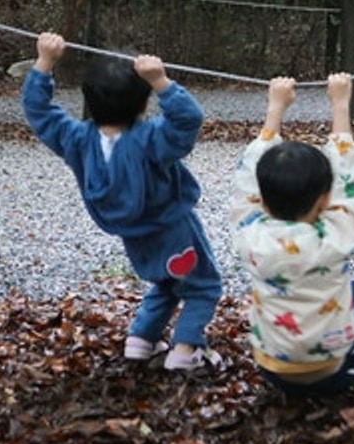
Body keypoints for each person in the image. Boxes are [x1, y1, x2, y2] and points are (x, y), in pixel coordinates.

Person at [22, 33, 223, 371]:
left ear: (89, 99)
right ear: (143, 104)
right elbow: (188, 119)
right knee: (203, 285)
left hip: (135, 237)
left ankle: (141, 340)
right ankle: (187, 350)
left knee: (167, 281)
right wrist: (161, 82)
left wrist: (44, 63)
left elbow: (39, 112)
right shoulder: (150, 140)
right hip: (176, 233)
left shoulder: (77, 141)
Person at [230, 73, 354, 397]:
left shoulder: (251, 235)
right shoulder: (336, 236)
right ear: (325, 200)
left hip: (272, 368)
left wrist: (274, 110)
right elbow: (351, 182)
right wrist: (340, 104)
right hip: (335, 371)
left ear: (262, 201)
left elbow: (248, 181)